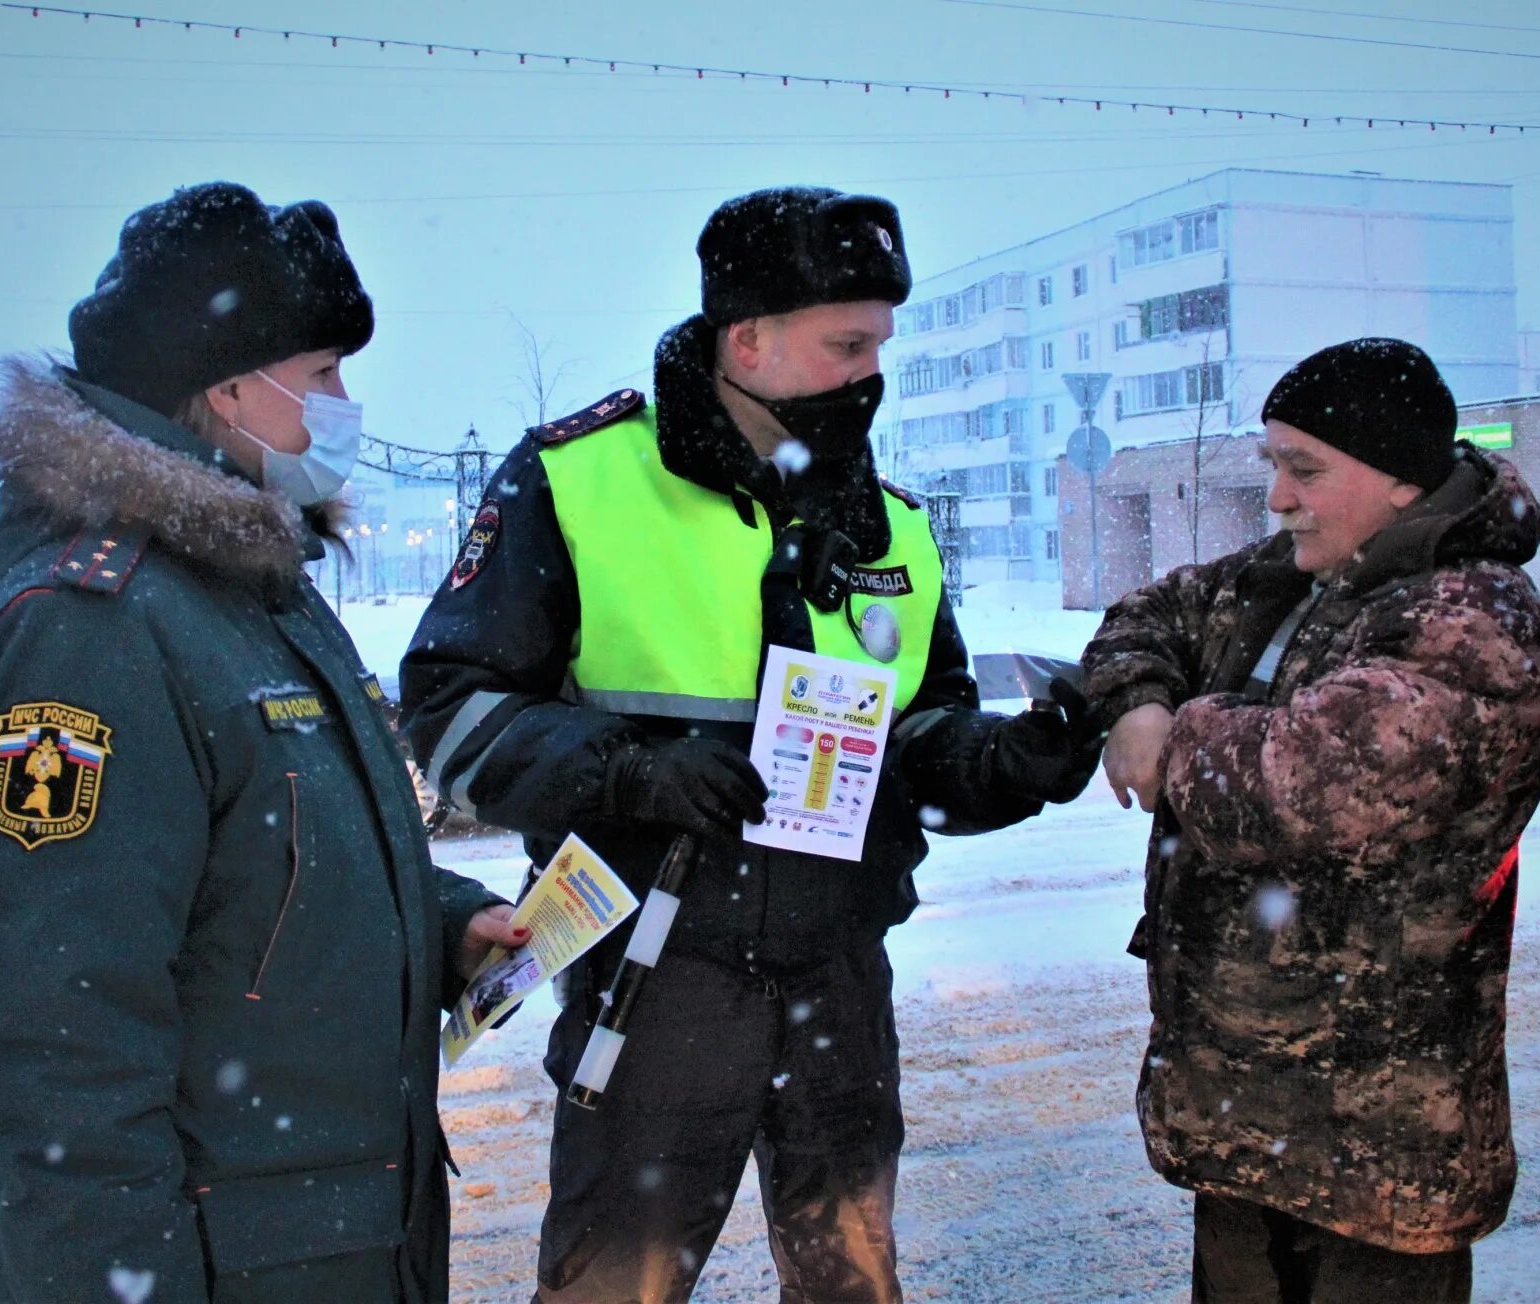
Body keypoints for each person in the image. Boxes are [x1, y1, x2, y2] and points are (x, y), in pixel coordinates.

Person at [400, 185, 1104, 1303]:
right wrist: (628, 768)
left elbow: (921, 728)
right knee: (610, 1288)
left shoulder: (892, 520)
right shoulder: (575, 479)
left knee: (851, 1284)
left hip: (838, 978)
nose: (871, 372)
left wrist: (1003, 763)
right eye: (846, 344)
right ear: (748, 339)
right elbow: (448, 709)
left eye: (879, 342)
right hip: (656, 973)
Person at [0, 182, 526, 1303]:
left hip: (321, 1240)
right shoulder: (92, 626)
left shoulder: (249, 587)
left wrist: (446, 920)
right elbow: (60, 1031)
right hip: (222, 1262)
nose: (345, 404)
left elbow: (266, 856)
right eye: (320, 376)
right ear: (227, 387)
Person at [1082, 338, 1540, 1303]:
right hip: (1245, 1125)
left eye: (1305, 470)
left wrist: (1172, 736)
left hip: (1376, 1154)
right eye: (1272, 466)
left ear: (1398, 482)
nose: (1278, 498)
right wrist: (1136, 698)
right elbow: (1150, 612)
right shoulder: (1300, 576)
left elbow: (1304, 786)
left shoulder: (1475, 624)